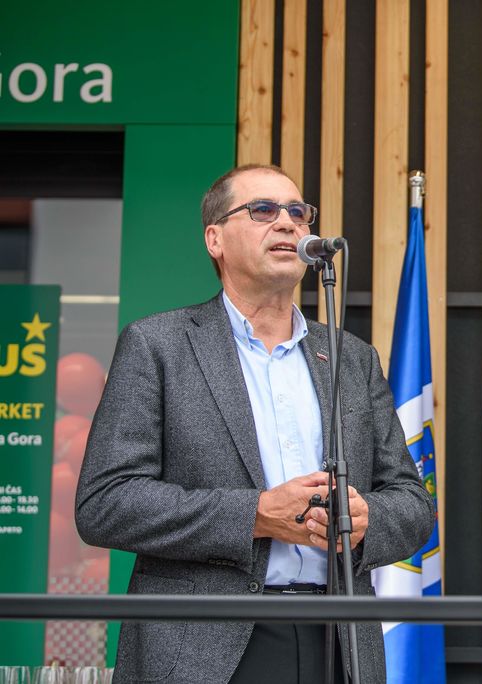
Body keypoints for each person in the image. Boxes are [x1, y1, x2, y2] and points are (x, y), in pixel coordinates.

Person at [75, 164, 434, 683]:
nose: (287, 223)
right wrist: (255, 515)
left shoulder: (352, 358)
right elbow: (105, 503)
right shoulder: (158, 346)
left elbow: (412, 501)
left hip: (340, 642)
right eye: (263, 210)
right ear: (215, 239)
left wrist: (365, 519)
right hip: (203, 650)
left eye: (298, 212)